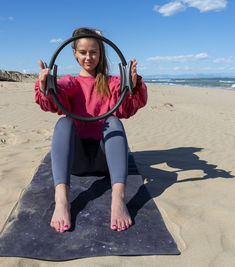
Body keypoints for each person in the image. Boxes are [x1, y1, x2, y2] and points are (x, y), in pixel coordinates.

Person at [35, 27, 147, 233]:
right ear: (75, 53)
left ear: (100, 53)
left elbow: (128, 108)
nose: (89, 57)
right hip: (76, 162)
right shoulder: (71, 82)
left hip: (105, 160)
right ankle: (61, 201)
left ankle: (118, 199)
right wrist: (46, 87)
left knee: (113, 121)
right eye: (83, 52)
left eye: (94, 52)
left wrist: (132, 85)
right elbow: (54, 100)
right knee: (63, 123)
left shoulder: (111, 82)